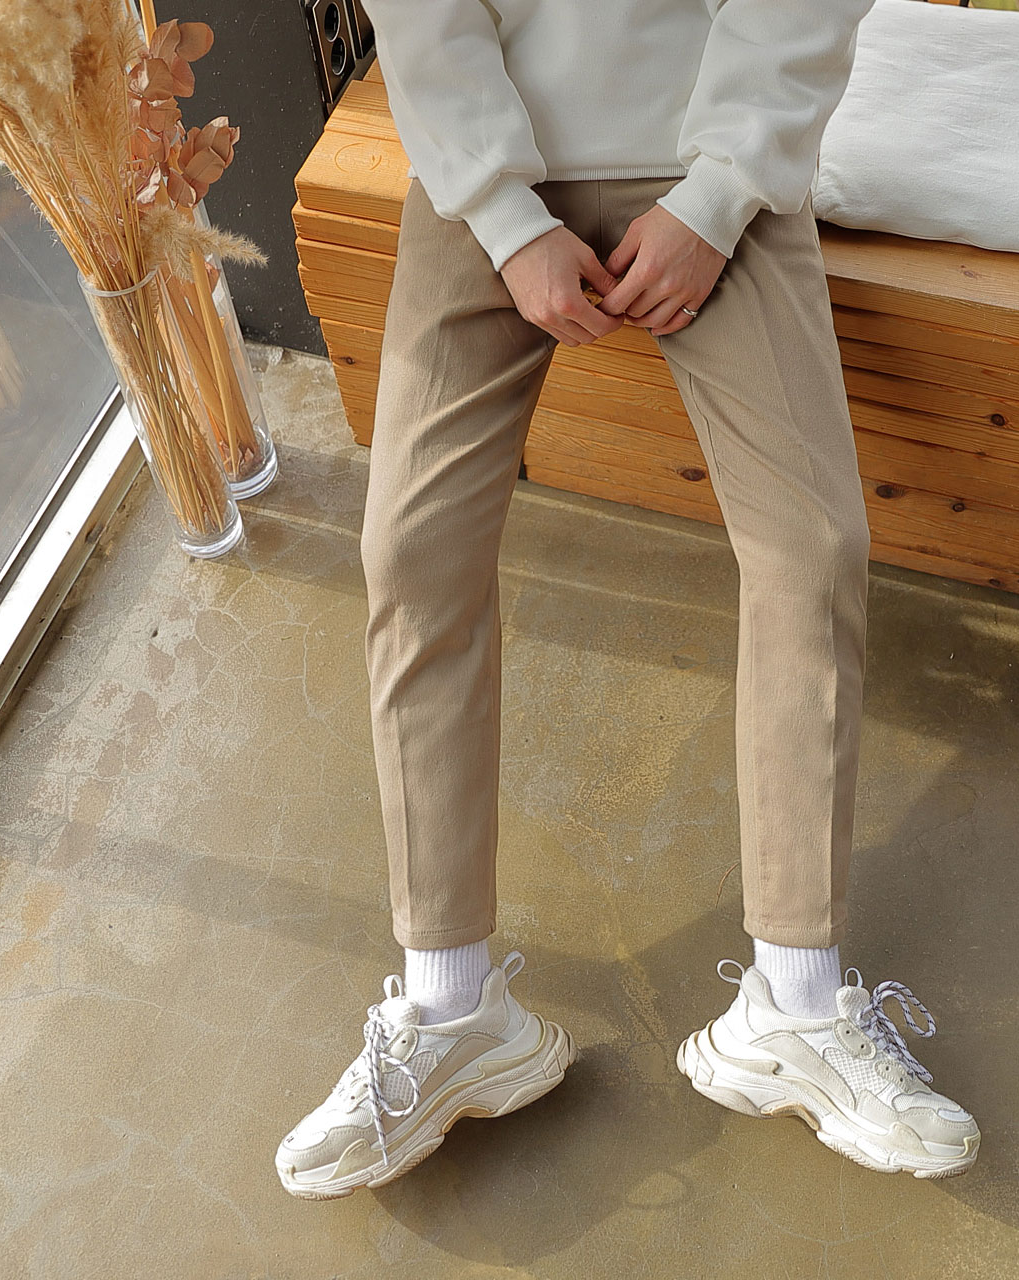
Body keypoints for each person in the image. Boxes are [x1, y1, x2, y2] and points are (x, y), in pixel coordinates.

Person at [275, 0, 980, 1200]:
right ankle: (451, 1011)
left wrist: (717, 198)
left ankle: (793, 1006)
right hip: (486, 161)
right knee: (409, 551)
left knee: (812, 547)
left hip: (713, 155)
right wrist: (507, 221)